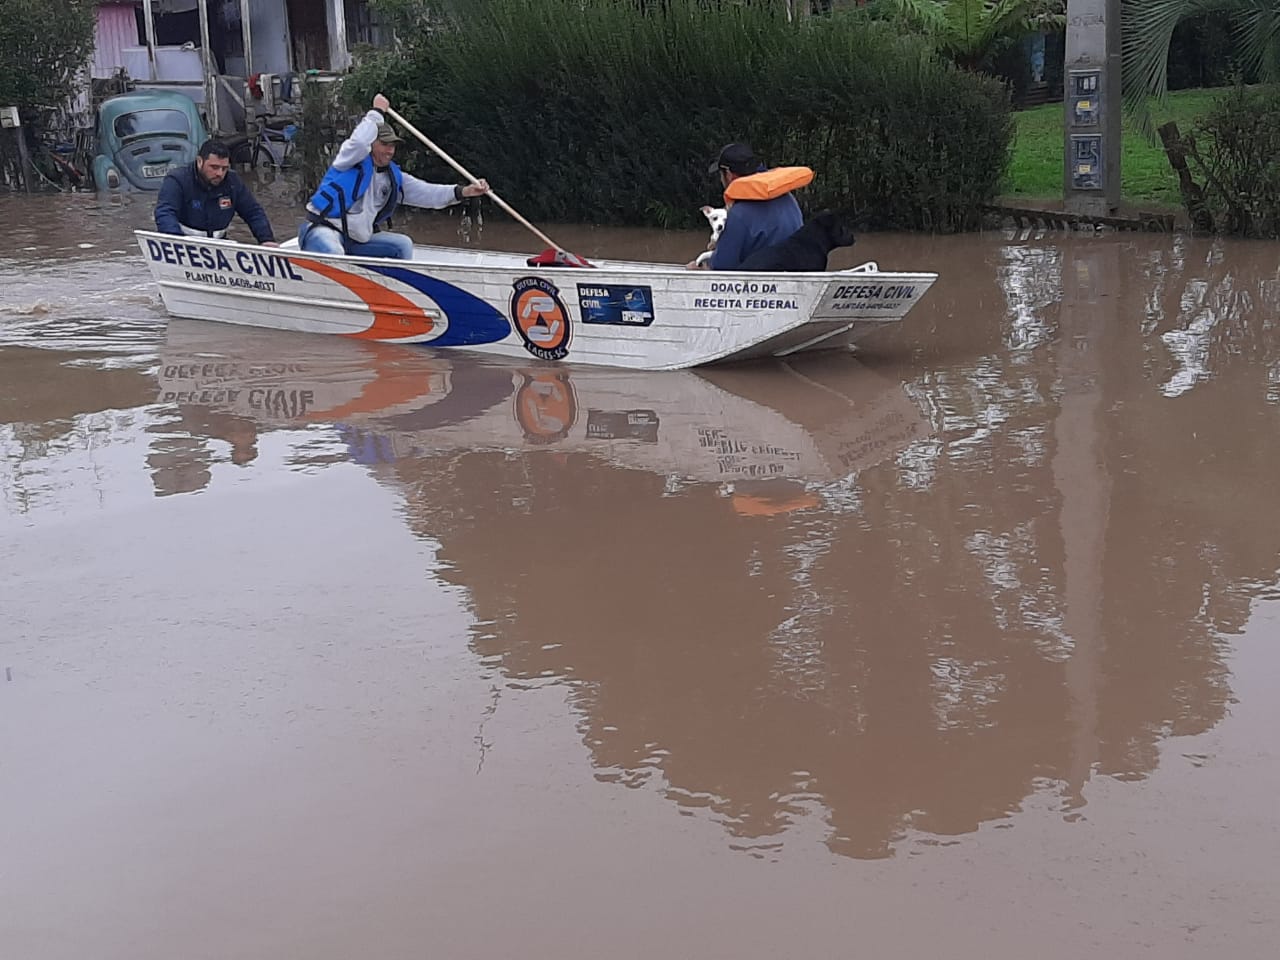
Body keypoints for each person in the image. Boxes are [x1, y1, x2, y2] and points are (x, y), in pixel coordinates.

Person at [299, 93, 491, 259]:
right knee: (333, 251)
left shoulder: (394, 177)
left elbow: (428, 194)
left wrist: (465, 191)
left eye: (392, 145)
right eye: (384, 144)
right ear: (371, 144)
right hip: (323, 230)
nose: (389, 150)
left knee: (403, 245)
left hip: (355, 240)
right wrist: (377, 113)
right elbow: (358, 143)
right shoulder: (349, 160)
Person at [686, 143, 807, 270]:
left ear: (728, 174)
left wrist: (699, 269)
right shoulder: (788, 198)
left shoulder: (738, 215)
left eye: (721, 174)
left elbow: (720, 269)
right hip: (793, 272)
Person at [154, 140, 278, 245]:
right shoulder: (177, 180)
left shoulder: (233, 182)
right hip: (186, 244)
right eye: (214, 167)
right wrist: (175, 242)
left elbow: (253, 212)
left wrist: (266, 239)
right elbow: (165, 212)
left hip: (219, 245)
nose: (219, 173)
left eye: (224, 168)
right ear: (199, 162)